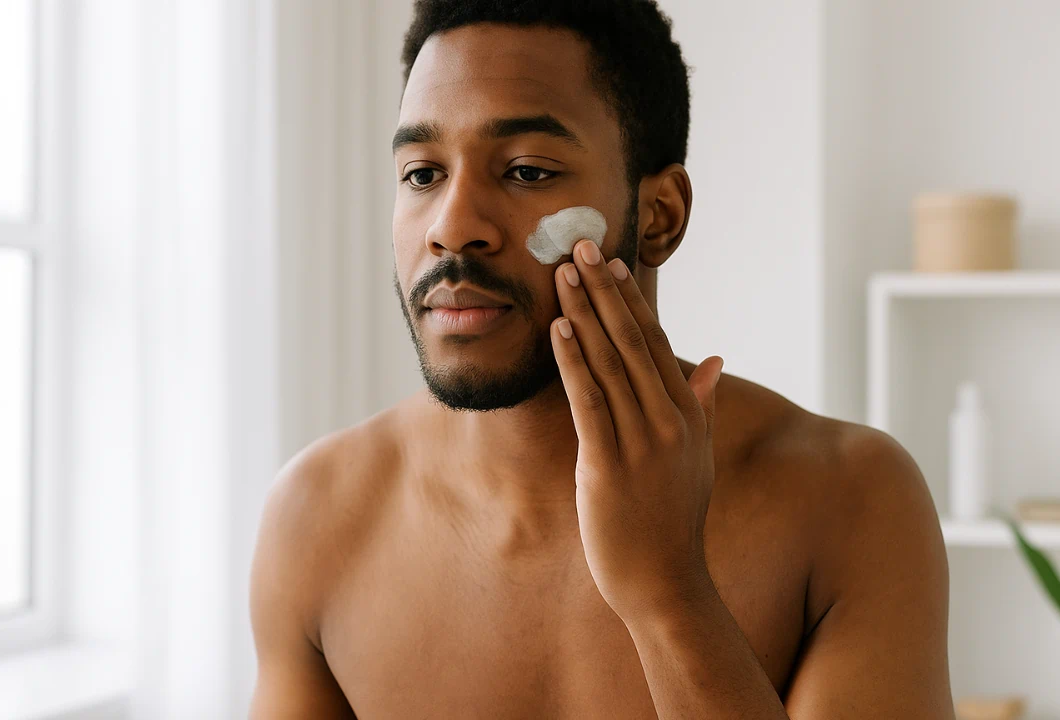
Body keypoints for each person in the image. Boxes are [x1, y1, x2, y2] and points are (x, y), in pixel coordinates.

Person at [248, 1, 953, 717]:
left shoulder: (853, 501)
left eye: (525, 171)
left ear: (659, 216)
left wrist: (669, 591)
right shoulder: (317, 518)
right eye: (423, 174)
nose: (452, 227)